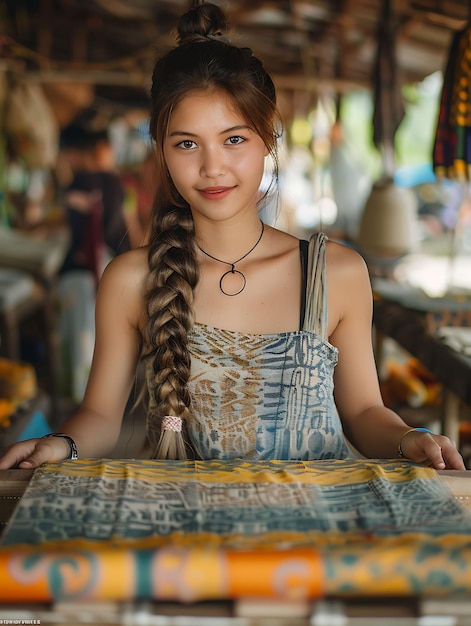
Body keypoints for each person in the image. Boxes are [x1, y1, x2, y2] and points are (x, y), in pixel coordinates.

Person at [0, 2, 465, 471]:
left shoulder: (336, 273)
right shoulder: (131, 278)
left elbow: (364, 412)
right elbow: (100, 415)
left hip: (316, 534)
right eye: (186, 143)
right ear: (161, 150)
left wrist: (410, 437)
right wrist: (60, 444)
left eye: (234, 139)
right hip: (192, 532)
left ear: (268, 138)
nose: (212, 167)